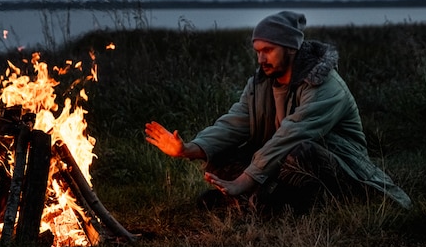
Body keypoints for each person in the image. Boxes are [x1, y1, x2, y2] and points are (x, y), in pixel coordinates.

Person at [145, 11, 411, 214]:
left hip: (341, 170)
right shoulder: (260, 83)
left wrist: (244, 180)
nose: (261, 59)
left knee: (301, 151)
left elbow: (291, 134)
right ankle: (258, 202)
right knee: (223, 154)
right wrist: (189, 148)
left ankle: (265, 204)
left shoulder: (326, 86)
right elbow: (234, 123)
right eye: (258, 52)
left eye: (268, 51)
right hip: (282, 166)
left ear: (291, 48)